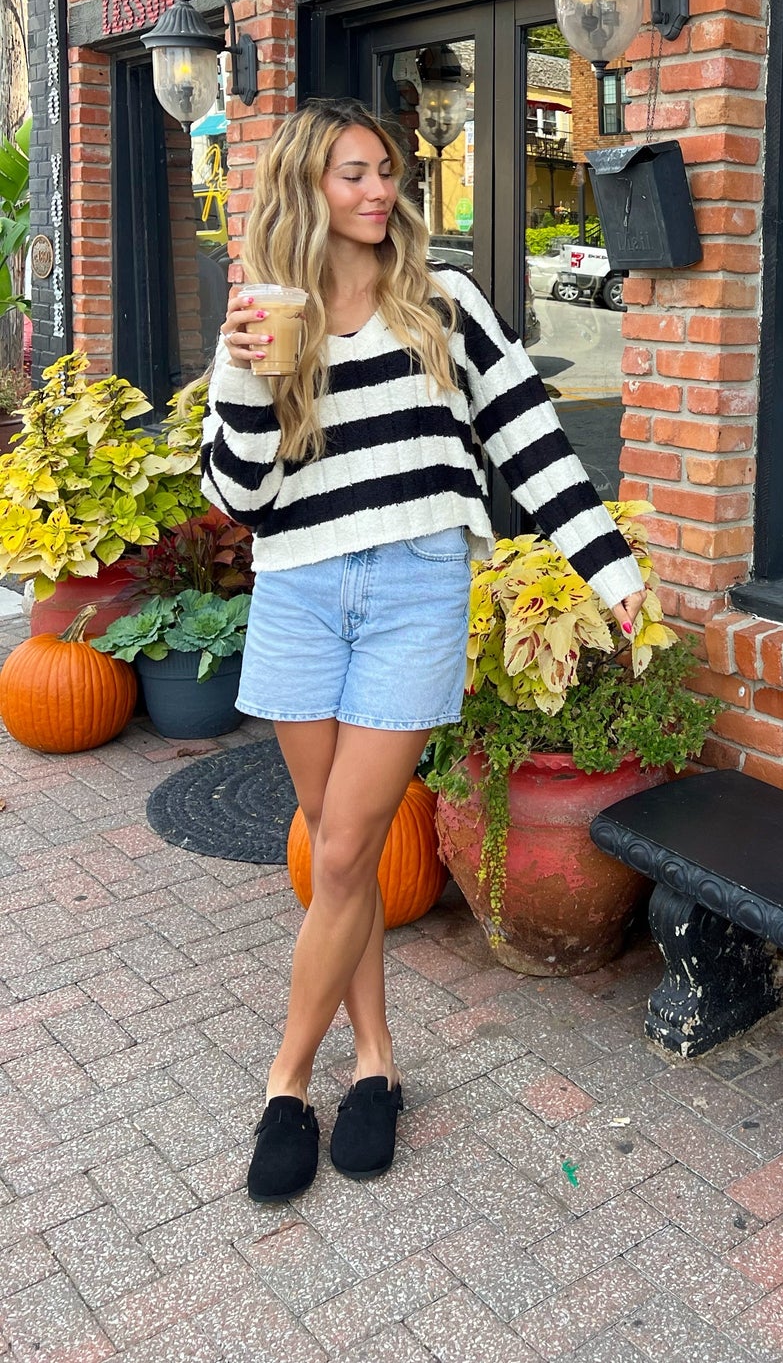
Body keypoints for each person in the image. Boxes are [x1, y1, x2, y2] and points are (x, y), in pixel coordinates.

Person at [200, 98, 644, 1205]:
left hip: (413, 587)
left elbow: (529, 437)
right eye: (353, 172)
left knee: (345, 850)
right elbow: (238, 494)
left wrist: (608, 565)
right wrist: (249, 370)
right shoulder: (263, 319)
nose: (377, 191)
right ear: (306, 185)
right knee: (335, 847)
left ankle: (284, 1083)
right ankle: (379, 1063)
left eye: (387, 172)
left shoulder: (441, 301)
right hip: (299, 591)